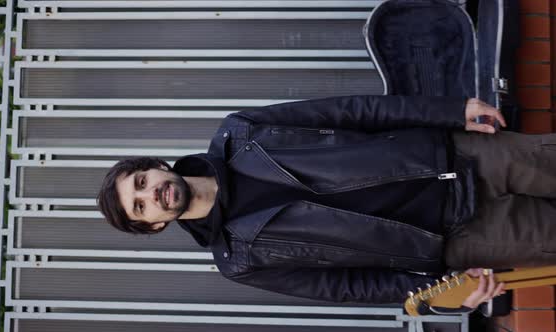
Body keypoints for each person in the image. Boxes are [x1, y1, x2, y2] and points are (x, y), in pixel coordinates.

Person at [97, 95, 556, 313]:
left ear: (156, 165)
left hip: (458, 155)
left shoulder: (241, 131)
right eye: (140, 206)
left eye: (141, 181)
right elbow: (347, 287)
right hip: (460, 235)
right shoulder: (239, 261)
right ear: (154, 226)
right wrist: (446, 290)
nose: (151, 194)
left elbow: (351, 113)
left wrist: (448, 111)